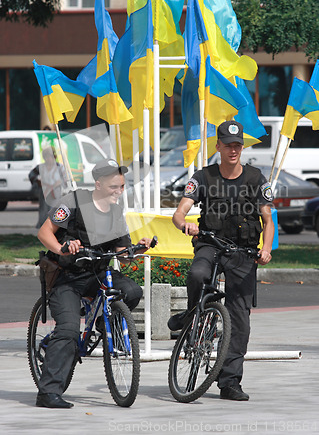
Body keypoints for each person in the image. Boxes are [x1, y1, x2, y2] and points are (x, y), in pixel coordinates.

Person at [168, 120, 274, 401]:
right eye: (228, 145)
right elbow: (179, 213)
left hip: (243, 252)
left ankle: (229, 383)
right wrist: (185, 225)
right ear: (218, 146)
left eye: (237, 145)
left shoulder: (256, 178)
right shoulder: (203, 177)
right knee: (197, 275)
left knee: (239, 319)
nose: (233, 150)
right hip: (211, 245)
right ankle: (193, 316)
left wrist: (267, 248)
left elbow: (267, 219)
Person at [36, 157, 154, 409]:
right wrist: (62, 248)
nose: (119, 192)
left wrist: (137, 249)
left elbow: (122, 252)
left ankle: (104, 321)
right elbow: (44, 232)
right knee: (68, 330)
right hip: (67, 278)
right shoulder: (73, 202)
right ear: (98, 184)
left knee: (132, 291)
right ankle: (48, 392)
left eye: (122, 187)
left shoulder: (115, 211)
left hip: (98, 276)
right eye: (114, 187)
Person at [29, 146, 67, 228]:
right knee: (44, 212)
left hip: (56, 195)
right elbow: (31, 175)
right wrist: (37, 181)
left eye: (50, 156)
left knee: (55, 213)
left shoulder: (59, 167)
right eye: (46, 156)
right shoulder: (40, 167)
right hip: (44, 194)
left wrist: (59, 183)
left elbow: (66, 180)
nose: (48, 158)